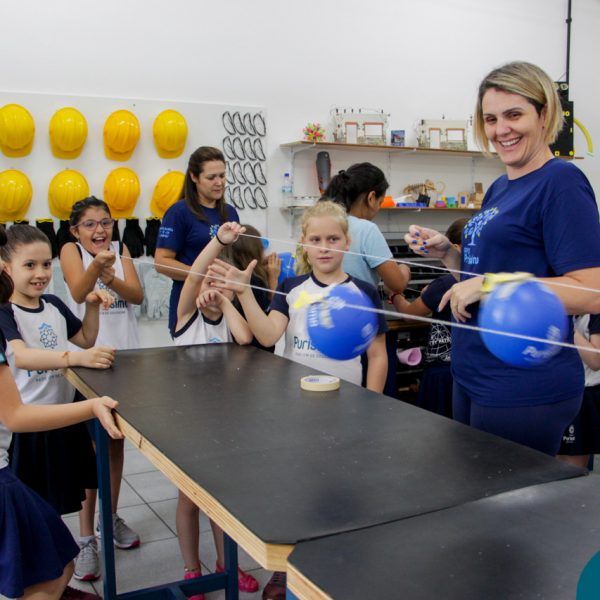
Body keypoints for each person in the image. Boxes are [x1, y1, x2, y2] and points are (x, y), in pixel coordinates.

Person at [405, 61, 600, 456]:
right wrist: (449, 254)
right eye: (491, 119)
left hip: (522, 383)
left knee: (505, 495)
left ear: (544, 115)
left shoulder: (561, 182)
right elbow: (481, 280)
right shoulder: (500, 187)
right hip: (473, 372)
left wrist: (492, 284)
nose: (501, 130)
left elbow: (592, 291)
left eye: (514, 115)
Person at [208, 201, 388, 600]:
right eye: (316, 239)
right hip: (293, 413)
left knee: (338, 493)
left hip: (346, 413)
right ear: (303, 243)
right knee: (294, 493)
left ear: (347, 242)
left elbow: (377, 355)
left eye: (333, 239)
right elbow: (268, 336)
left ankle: (335, 563)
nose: (324, 247)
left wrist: (373, 408)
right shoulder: (291, 288)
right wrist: (244, 294)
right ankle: (285, 570)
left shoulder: (363, 292)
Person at [0, 224, 122, 600]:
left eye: (45, 265)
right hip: (29, 431)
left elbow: (85, 338)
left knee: (57, 506)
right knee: (33, 513)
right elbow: (21, 355)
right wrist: (74, 358)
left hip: (62, 419)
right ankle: (47, 577)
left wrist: (92, 306)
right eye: (29, 265)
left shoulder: (52, 304)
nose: (40, 273)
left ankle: (63, 568)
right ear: (6, 267)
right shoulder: (5, 312)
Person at [172, 222, 258, 597]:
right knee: (188, 501)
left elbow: (246, 337)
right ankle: (192, 570)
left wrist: (225, 302)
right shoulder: (185, 318)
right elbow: (193, 275)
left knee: (222, 501)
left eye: (219, 281)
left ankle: (227, 565)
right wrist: (218, 242)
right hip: (188, 423)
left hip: (224, 424)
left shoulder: (228, 317)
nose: (210, 286)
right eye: (208, 280)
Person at [60, 197, 144, 580]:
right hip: (88, 364)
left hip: (125, 363)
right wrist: (98, 266)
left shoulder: (122, 249)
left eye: (106, 222)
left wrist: (111, 276)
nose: (100, 230)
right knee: (90, 453)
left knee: (114, 446)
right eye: (90, 224)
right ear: (75, 230)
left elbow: (137, 295)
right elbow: (79, 292)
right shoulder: (70, 251)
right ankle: (85, 539)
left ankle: (109, 519)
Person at [154, 146, 240, 335]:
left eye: (222, 176)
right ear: (194, 177)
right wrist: (200, 276)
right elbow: (161, 262)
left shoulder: (230, 212)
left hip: (223, 302)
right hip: (190, 304)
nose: (219, 182)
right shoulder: (179, 212)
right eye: (211, 177)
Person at [391, 217, 469, 418]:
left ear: (455, 247)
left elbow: (409, 315)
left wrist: (395, 295)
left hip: (441, 372)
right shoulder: (482, 282)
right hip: (467, 370)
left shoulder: (443, 284)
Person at [324, 162, 410, 292]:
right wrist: (404, 269)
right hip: (357, 304)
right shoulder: (367, 230)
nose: (378, 209)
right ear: (371, 198)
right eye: (380, 202)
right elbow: (397, 284)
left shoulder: (321, 222)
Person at [557, 313, 600, 469]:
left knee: (572, 463)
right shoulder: (553, 311)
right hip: (557, 392)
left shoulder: (595, 313)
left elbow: (595, 361)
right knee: (554, 457)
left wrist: (569, 328)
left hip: (585, 393)